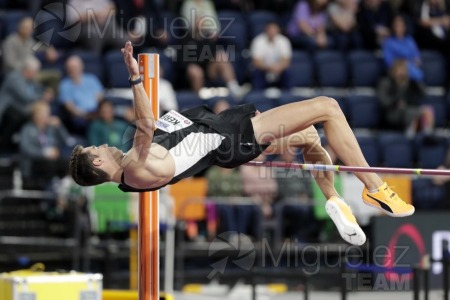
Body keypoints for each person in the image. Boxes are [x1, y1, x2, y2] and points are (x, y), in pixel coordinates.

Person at [69, 41, 415, 246]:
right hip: (232, 137)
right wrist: (135, 76)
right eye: (96, 150)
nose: (102, 147)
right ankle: (375, 186)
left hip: (226, 133)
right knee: (328, 107)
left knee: (310, 137)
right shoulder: (133, 167)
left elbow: (157, 127)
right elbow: (146, 122)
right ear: (98, 164)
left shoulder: (134, 172)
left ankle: (335, 202)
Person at [0, 56, 54, 151]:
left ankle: (29, 143)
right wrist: (42, 97)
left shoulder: (30, 80)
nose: (36, 74)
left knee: (38, 113)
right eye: (35, 71)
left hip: (19, 108)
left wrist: (45, 91)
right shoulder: (14, 77)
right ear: (28, 70)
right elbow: (25, 96)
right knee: (22, 116)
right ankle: (6, 146)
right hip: (6, 109)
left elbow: (37, 88)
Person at [19, 101, 71, 189]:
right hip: (34, 163)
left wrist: (60, 126)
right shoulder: (27, 129)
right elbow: (25, 148)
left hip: (53, 161)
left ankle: (63, 188)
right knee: (50, 164)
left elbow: (67, 141)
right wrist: (44, 153)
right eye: (44, 114)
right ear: (36, 115)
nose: (47, 116)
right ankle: (50, 188)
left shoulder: (51, 128)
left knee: (69, 163)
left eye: (47, 113)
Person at [376, 59, 433, 136]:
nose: (403, 72)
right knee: (413, 112)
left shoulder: (410, 83)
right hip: (392, 112)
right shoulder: (386, 82)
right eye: (400, 69)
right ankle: (410, 136)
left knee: (427, 110)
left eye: (405, 69)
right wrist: (396, 102)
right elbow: (383, 101)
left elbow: (423, 93)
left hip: (407, 110)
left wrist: (417, 80)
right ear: (394, 70)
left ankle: (428, 135)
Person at [59, 55, 104, 134]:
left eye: (74, 67)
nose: (72, 70)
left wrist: (98, 111)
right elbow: (69, 106)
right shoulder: (64, 85)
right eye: (70, 67)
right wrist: (85, 115)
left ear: (81, 67)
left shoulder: (92, 79)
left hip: (96, 112)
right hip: (81, 116)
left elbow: (100, 96)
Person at [250, 21, 293, 90]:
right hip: (264, 70)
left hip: (279, 70)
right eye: (270, 29)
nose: (272, 32)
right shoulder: (258, 41)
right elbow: (256, 61)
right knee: (256, 72)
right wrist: (269, 68)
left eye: (274, 29)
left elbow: (286, 60)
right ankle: (258, 94)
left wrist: (278, 68)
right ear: (266, 30)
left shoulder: (284, 41)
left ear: (278, 30)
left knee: (288, 71)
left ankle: (288, 93)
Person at [383, 15, 423, 82]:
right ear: (393, 27)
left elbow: (417, 59)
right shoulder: (388, 42)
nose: (399, 28)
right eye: (397, 26)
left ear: (404, 27)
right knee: (401, 73)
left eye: (401, 26)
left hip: (410, 67)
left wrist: (412, 62)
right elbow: (388, 61)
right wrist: (401, 64)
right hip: (395, 68)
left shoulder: (410, 41)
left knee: (418, 74)